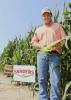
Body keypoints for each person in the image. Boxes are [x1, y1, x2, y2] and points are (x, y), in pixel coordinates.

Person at [31, 7, 67, 100]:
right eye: (44, 15)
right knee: (42, 79)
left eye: (48, 14)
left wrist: (58, 44)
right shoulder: (38, 29)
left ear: (51, 15)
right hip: (41, 55)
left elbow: (64, 39)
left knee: (55, 80)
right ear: (42, 17)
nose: (46, 16)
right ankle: (43, 98)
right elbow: (33, 42)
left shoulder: (58, 26)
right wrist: (42, 47)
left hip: (55, 55)